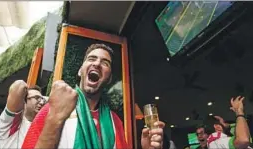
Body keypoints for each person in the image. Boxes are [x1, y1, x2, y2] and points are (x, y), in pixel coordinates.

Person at [22, 43, 165, 149]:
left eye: (105, 63)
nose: (97, 63)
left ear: (108, 79)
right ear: (80, 71)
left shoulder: (115, 122)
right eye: (91, 59)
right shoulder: (52, 109)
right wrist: (55, 118)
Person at [0, 81, 46, 148]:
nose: (42, 102)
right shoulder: (10, 122)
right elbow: (19, 86)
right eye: (37, 98)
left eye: (42, 99)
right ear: (24, 101)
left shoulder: (43, 126)